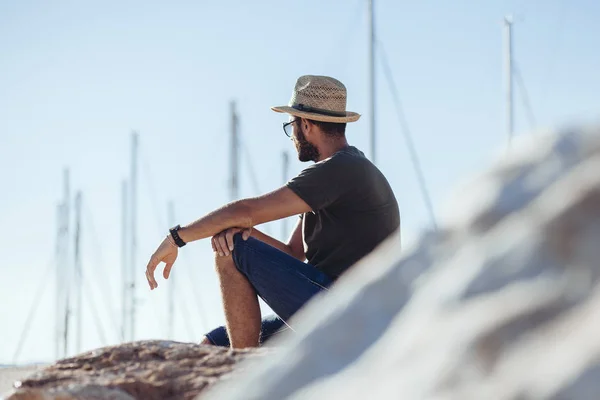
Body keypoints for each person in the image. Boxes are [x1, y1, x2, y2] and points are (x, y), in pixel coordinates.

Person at [145, 75, 400, 348]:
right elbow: (292, 252)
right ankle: (240, 364)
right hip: (336, 303)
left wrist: (176, 238)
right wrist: (242, 231)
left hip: (352, 312)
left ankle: (247, 376)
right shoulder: (341, 174)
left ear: (306, 124)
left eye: (291, 126)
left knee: (230, 250)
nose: (292, 137)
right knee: (213, 342)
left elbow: (245, 210)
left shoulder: (341, 169)